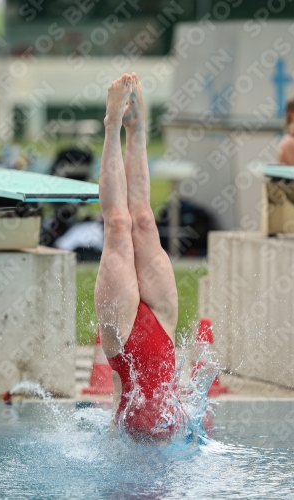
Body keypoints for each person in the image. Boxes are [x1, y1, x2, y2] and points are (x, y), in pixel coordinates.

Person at [94, 73, 186, 442]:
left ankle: (114, 124)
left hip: (124, 338)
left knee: (120, 224)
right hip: (162, 328)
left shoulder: (127, 449)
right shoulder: (126, 448)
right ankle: (133, 129)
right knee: (143, 220)